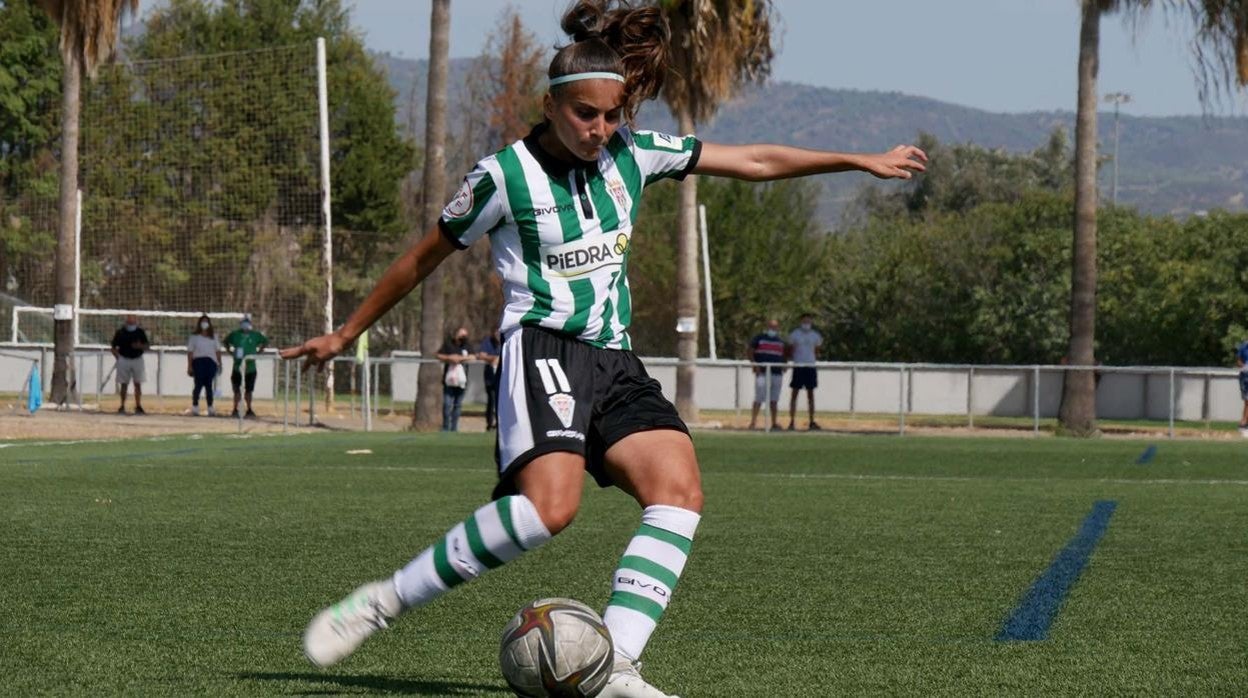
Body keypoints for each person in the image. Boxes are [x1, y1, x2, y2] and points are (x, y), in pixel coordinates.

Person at [280, 3, 924, 694]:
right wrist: (347, 332)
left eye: (612, 115)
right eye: (587, 114)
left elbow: (756, 157)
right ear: (552, 107)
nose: (602, 129)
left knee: (679, 493)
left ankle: (616, 664)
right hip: (544, 350)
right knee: (550, 512)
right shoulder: (502, 177)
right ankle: (382, 602)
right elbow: (422, 258)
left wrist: (857, 160)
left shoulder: (635, 157)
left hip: (615, 360)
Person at [223, 314, 268, 419]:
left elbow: (265, 342)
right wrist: (230, 351)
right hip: (237, 367)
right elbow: (226, 342)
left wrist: (259, 352)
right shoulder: (235, 335)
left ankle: (249, 409)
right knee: (237, 390)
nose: (245, 324)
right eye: (244, 322)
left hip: (250, 368)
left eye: (247, 322)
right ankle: (235, 408)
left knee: (249, 390)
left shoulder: (255, 335)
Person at [786, 313, 823, 431]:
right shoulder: (794, 334)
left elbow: (817, 351)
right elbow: (790, 350)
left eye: (808, 321)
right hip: (798, 366)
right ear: (800, 322)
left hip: (810, 367)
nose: (806, 323)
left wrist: (812, 360)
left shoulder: (815, 336)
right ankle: (791, 421)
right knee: (794, 394)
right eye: (804, 321)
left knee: (810, 395)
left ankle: (811, 421)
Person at [748, 319, 787, 431]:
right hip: (763, 373)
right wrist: (755, 365)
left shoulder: (780, 341)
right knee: (759, 398)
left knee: (774, 400)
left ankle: (774, 423)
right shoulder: (759, 338)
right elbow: (750, 350)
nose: (772, 329)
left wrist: (784, 365)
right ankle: (753, 422)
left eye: (775, 327)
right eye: (771, 326)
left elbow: (784, 355)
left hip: (776, 373)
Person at [436, 326, 474, 432]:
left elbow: (473, 356)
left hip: (462, 381)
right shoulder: (448, 344)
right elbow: (438, 355)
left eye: (465, 335)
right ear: (456, 334)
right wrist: (449, 358)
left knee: (457, 405)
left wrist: (460, 358)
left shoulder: (467, 345)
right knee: (447, 405)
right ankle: (445, 427)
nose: (463, 337)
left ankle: (454, 428)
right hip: (449, 380)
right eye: (461, 335)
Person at [110, 314, 149, 415]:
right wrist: (118, 357)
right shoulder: (120, 332)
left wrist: (139, 346)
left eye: (133, 322)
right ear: (126, 322)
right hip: (124, 359)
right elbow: (113, 347)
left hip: (137, 359)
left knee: (138, 383)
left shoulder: (140, 332)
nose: (131, 324)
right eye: (129, 322)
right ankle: (122, 405)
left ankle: (138, 405)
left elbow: (147, 346)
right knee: (124, 384)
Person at [187, 314, 222, 416]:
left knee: (209, 385)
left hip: (211, 362)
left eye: (206, 322)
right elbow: (190, 352)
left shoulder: (214, 337)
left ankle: (210, 407)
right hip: (198, 362)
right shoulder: (194, 337)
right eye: (203, 322)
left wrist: (219, 363)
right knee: (198, 384)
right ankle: (195, 406)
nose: (204, 324)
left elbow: (218, 351)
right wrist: (189, 365)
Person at [479, 328, 503, 430]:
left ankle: (500, 423)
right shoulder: (488, 342)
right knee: (492, 400)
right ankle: (490, 423)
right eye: (496, 332)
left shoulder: (505, 340)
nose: (498, 335)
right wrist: (493, 358)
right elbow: (481, 355)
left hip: (503, 376)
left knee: (501, 401)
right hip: (490, 377)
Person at [1237, 339, 1248, 434]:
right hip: (1245, 377)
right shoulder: (1243, 347)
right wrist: (1244, 367)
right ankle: (1243, 422)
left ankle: (1244, 422)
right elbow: (1239, 361)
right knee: (1247, 400)